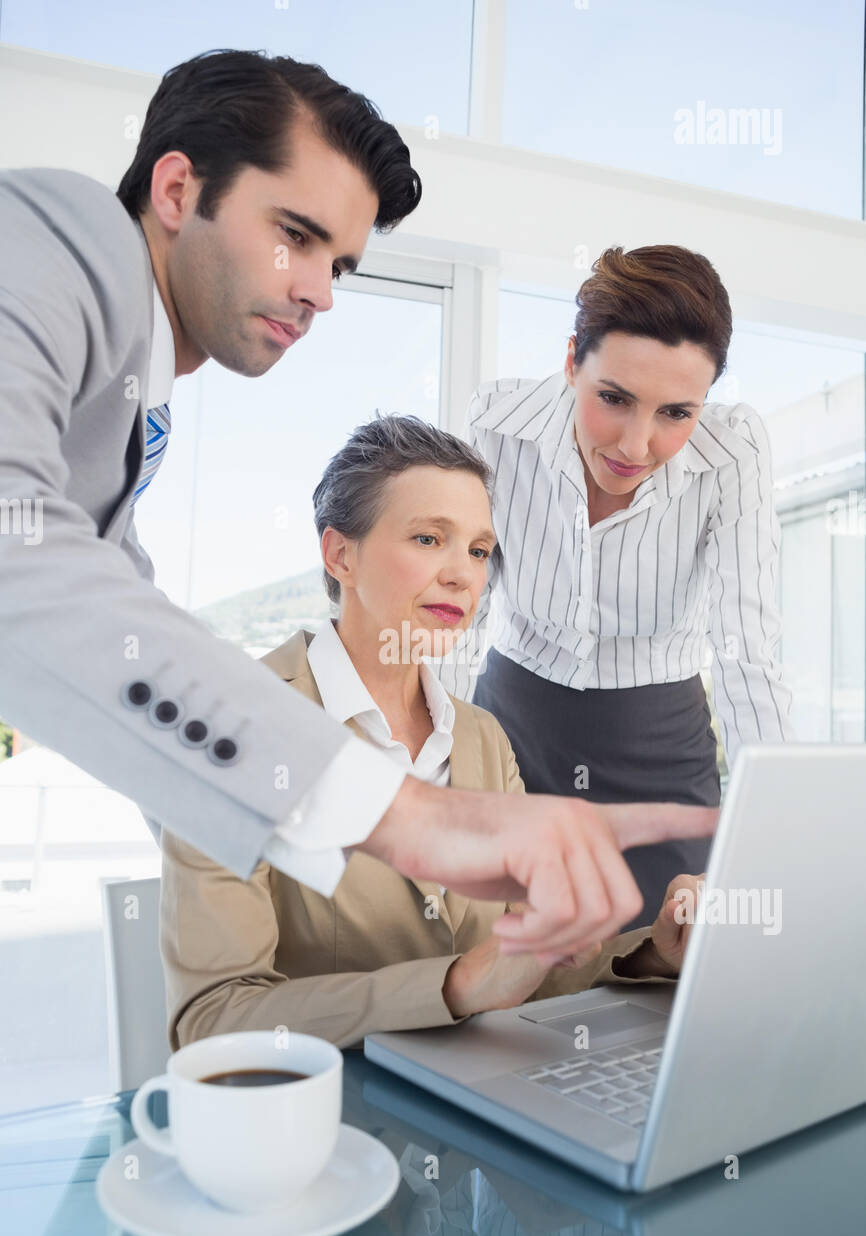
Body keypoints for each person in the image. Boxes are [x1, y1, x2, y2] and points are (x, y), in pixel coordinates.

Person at [0, 51, 715, 963]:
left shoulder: (131, 411)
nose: (320, 292)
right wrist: (401, 814)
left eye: (338, 261)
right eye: (293, 236)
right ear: (177, 188)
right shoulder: (43, 240)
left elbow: (120, 639)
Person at [160, 415, 694, 1051]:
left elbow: (525, 968)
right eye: (427, 539)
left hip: (472, 1105)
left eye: (476, 550)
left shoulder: (482, 739)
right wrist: (457, 983)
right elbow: (213, 1021)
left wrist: (652, 953)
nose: (464, 576)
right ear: (340, 554)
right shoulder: (232, 729)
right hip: (320, 1120)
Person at [439, 245, 792, 928]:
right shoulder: (497, 425)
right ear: (573, 360)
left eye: (676, 413)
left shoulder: (734, 452)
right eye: (614, 399)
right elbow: (458, 614)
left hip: (661, 755)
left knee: (669, 971)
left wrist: (774, 834)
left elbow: (748, 649)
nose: (636, 445)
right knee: (503, 969)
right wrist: (433, 774)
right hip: (513, 740)